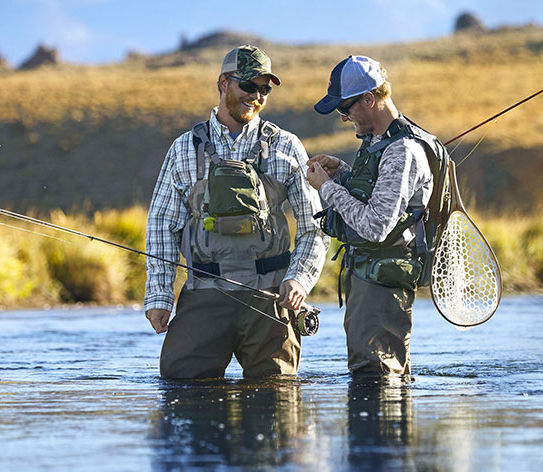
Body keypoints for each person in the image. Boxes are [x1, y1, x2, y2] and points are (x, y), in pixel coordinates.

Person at [145, 45, 328, 379]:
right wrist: (159, 294)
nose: (256, 96)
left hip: (270, 300)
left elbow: (315, 225)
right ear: (223, 84)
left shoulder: (287, 146)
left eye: (264, 89)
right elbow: (162, 225)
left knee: (276, 405)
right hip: (204, 295)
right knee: (181, 387)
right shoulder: (184, 148)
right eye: (248, 86)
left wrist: (300, 278)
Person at [306, 55, 436, 376]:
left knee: (376, 379)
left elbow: (375, 226)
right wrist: (344, 172)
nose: (344, 118)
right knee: (371, 377)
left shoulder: (402, 151)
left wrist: (327, 189)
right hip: (369, 282)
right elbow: (379, 199)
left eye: (345, 109)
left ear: (369, 99)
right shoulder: (378, 143)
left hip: (383, 289)